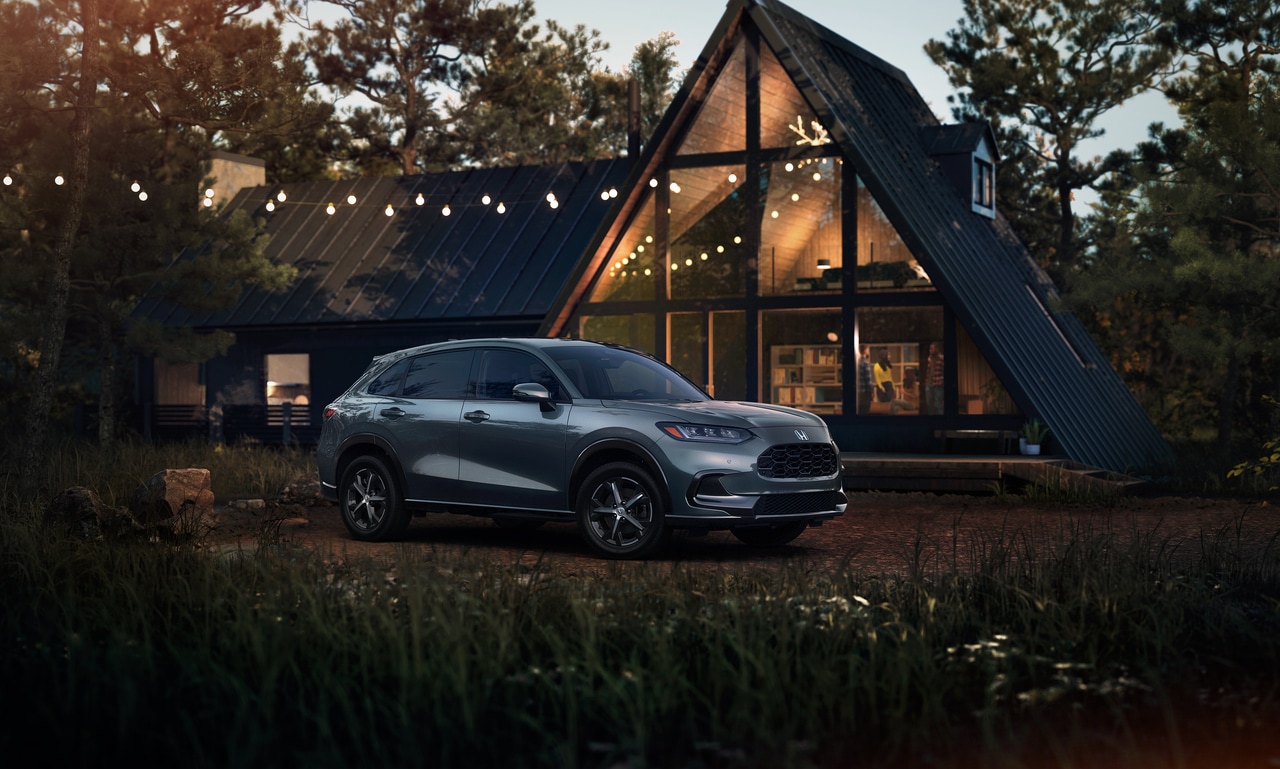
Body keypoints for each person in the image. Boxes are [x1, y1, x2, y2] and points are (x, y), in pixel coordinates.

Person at [926, 342, 944, 415]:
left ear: (936, 349)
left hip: (938, 384)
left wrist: (941, 381)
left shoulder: (942, 358)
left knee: (938, 404)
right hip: (929, 384)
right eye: (930, 348)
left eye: (932, 348)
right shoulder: (930, 358)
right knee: (929, 404)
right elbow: (929, 371)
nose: (930, 350)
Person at [857, 345, 875, 414]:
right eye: (868, 350)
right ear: (865, 351)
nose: (869, 352)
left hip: (858, 392)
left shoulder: (857, 363)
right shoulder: (865, 363)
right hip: (865, 392)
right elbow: (868, 379)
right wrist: (871, 391)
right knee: (865, 411)